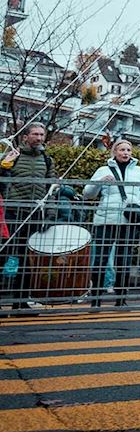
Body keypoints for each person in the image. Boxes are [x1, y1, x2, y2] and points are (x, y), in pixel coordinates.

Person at [82, 139, 140, 306]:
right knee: (101, 259)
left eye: (128, 150)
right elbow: (87, 193)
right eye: (122, 150)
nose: (125, 153)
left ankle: (121, 298)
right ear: (114, 152)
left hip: (128, 220)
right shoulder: (103, 170)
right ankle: (95, 298)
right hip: (106, 219)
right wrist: (99, 182)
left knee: (124, 260)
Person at [0, 124, 54, 308]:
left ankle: (20, 301)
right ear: (25, 137)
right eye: (35, 134)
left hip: (34, 214)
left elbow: (51, 189)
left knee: (27, 259)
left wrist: (50, 214)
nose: (39, 138)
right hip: (12, 213)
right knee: (4, 255)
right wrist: (3, 166)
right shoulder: (13, 156)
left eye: (41, 135)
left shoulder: (47, 159)